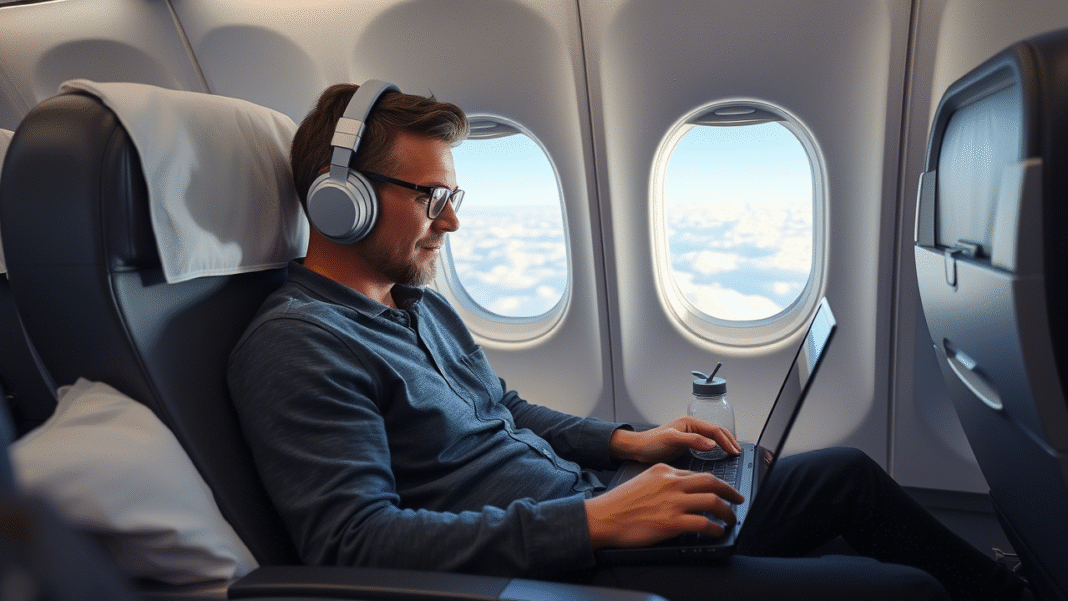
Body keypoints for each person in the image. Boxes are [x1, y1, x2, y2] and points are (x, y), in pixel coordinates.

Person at [227, 82, 1027, 600]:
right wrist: (596, 522)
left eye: (453, 195)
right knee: (904, 591)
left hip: (594, 500)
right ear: (343, 202)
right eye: (433, 196)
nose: (455, 220)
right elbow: (354, 544)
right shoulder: (298, 347)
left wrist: (628, 443)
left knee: (847, 474)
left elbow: (506, 409)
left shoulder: (416, 305)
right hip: (575, 566)